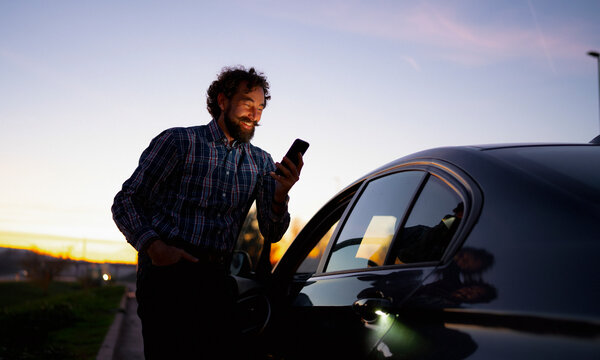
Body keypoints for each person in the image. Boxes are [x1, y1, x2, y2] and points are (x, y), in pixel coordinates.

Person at [111, 66, 303, 359]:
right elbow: (126, 201)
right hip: (167, 275)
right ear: (223, 101)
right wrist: (155, 247)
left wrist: (281, 195)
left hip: (217, 279)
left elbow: (272, 231)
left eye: (261, 107)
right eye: (247, 104)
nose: (255, 115)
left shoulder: (262, 162)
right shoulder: (178, 142)